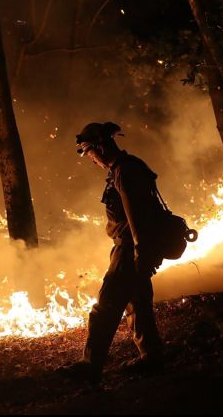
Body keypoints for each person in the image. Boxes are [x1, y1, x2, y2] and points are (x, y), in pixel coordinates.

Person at [59, 121, 165, 384]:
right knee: (138, 302)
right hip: (134, 246)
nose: (91, 159)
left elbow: (136, 216)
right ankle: (152, 356)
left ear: (101, 146)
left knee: (105, 307)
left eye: (90, 152)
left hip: (130, 248)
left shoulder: (124, 172)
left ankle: (90, 365)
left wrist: (141, 253)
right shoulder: (128, 166)